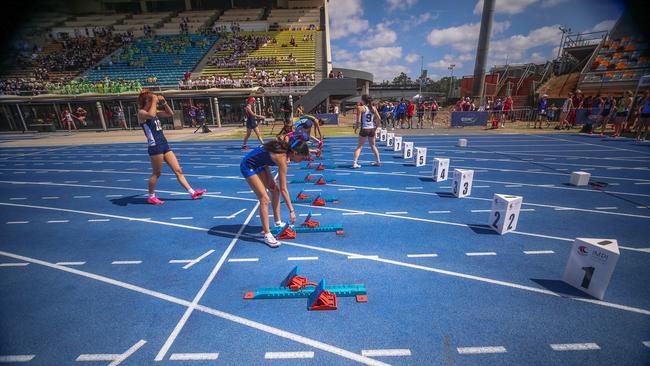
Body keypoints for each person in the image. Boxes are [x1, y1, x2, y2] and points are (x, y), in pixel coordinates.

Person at [137, 90, 206, 205]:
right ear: (147, 101)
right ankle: (151, 196)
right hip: (155, 146)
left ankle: (192, 192)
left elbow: (170, 113)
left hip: (164, 144)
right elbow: (151, 115)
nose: (156, 102)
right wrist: (154, 100)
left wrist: (164, 103)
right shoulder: (142, 113)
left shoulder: (155, 111)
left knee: (178, 170)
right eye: (152, 100)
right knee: (157, 173)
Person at [240, 137, 310, 247]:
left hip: (261, 164)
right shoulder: (282, 158)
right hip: (248, 165)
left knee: (275, 191)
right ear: (295, 153)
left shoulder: (287, 150)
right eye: (301, 159)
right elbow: (284, 188)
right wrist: (291, 210)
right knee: (264, 199)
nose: (300, 161)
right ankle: (267, 235)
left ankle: (277, 223)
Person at [352, 95, 381, 168]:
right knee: (373, 146)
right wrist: (376, 127)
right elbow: (379, 118)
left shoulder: (360, 108)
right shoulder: (373, 108)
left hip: (364, 128)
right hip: (371, 129)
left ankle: (355, 163)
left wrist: (356, 128)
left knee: (359, 147)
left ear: (363, 100)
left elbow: (358, 121)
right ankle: (378, 161)